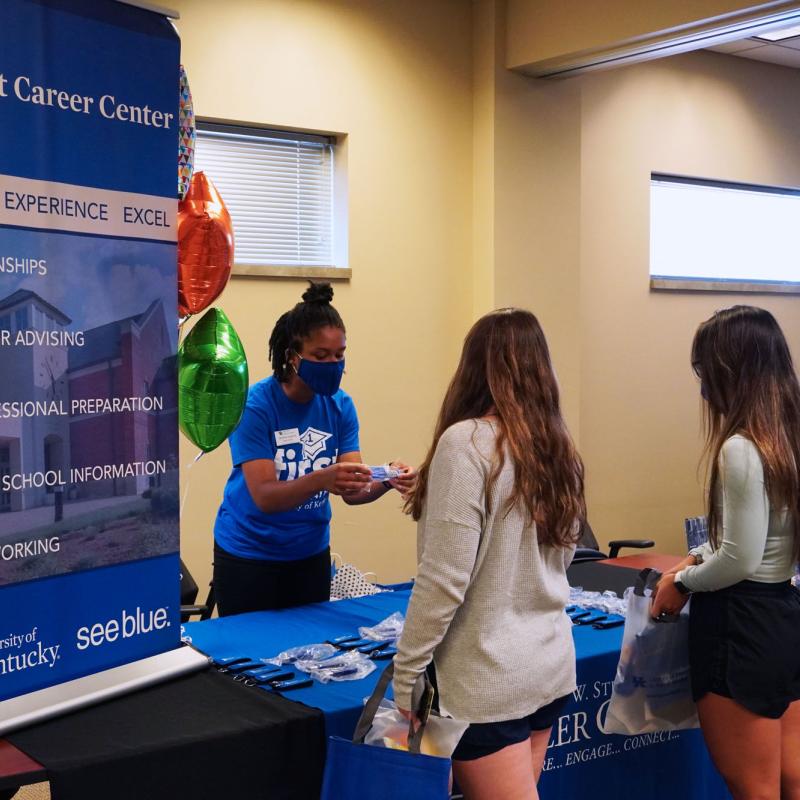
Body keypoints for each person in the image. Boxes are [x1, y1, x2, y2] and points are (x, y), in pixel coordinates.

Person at [392, 309, 585, 800]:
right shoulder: (555, 448)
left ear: (473, 368)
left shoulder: (466, 443)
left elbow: (443, 582)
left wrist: (407, 673)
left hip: (487, 680)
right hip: (546, 664)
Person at [652, 306, 800, 800]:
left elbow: (739, 558)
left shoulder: (741, 448)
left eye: (705, 372)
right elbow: (756, 540)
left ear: (732, 371)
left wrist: (681, 582)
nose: (702, 388)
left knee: (754, 789)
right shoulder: (788, 439)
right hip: (783, 616)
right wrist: (697, 556)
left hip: (739, 628)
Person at [213, 282, 414, 616]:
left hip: (309, 556)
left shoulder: (340, 406)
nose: (333, 364)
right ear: (293, 357)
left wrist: (389, 478)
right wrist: (323, 479)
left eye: (339, 355)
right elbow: (264, 496)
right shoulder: (255, 406)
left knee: (310, 654)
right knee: (249, 660)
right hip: (249, 556)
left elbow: (353, 488)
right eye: (321, 356)